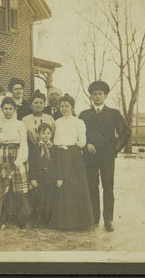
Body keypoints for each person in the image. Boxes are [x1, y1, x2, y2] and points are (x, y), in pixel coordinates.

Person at [79, 81, 129, 232]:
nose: (97, 96)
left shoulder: (114, 114)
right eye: (95, 94)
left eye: (100, 93)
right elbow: (79, 134)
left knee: (108, 187)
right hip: (90, 156)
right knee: (92, 186)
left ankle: (108, 220)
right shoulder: (84, 115)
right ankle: (94, 218)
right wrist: (86, 144)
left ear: (105, 95)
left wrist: (115, 149)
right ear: (91, 96)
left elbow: (125, 133)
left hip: (107, 157)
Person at [50, 94, 94, 230]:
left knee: (74, 186)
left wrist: (70, 148)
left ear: (72, 107)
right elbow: (53, 139)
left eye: (67, 106)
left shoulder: (78, 122)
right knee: (61, 187)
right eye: (62, 106)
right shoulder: (56, 122)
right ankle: (62, 222)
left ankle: (78, 222)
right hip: (59, 154)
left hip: (73, 156)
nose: (64, 109)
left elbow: (82, 142)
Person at [0, 97, 31, 228]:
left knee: (19, 189)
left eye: (10, 108)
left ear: (14, 109)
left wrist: (18, 162)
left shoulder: (20, 124)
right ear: (2, 110)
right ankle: (2, 216)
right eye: (5, 108)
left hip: (16, 155)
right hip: (1, 155)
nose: (8, 111)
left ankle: (22, 218)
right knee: (2, 188)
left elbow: (24, 144)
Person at [29, 123, 56, 228]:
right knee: (39, 198)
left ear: (51, 134)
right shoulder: (35, 148)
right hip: (39, 177)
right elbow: (32, 164)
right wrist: (33, 178)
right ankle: (37, 219)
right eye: (43, 133)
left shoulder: (54, 148)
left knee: (50, 198)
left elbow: (57, 163)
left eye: (48, 133)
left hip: (50, 177)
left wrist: (58, 177)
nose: (46, 135)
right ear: (38, 134)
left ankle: (48, 220)